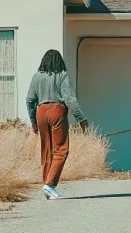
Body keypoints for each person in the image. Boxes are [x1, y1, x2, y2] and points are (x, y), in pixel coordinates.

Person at [26, 49, 88, 200]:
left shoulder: (36, 77)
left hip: (41, 111)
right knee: (61, 150)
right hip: (57, 111)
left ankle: (47, 185)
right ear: (59, 62)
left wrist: (33, 121)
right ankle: (49, 184)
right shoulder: (62, 75)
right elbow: (69, 99)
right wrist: (81, 118)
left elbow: (29, 100)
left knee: (46, 150)